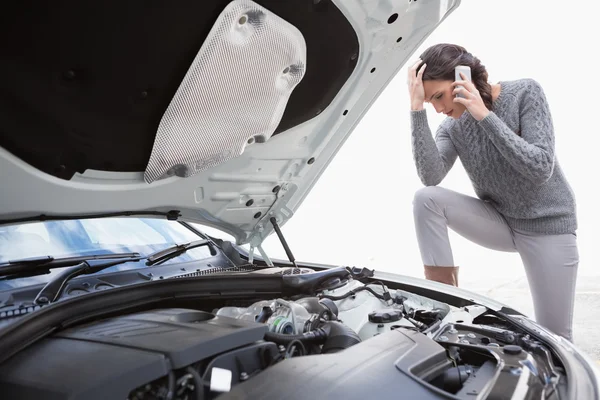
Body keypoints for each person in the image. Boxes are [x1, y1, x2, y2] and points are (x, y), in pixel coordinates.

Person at [407, 43, 578, 341]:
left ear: (464, 79)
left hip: (547, 228)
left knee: (556, 338)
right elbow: (430, 177)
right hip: (501, 221)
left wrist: (483, 115)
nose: (438, 109)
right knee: (427, 200)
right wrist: (416, 108)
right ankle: (443, 301)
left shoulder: (525, 92)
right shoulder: (451, 127)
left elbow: (539, 168)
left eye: (438, 97)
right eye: (429, 100)